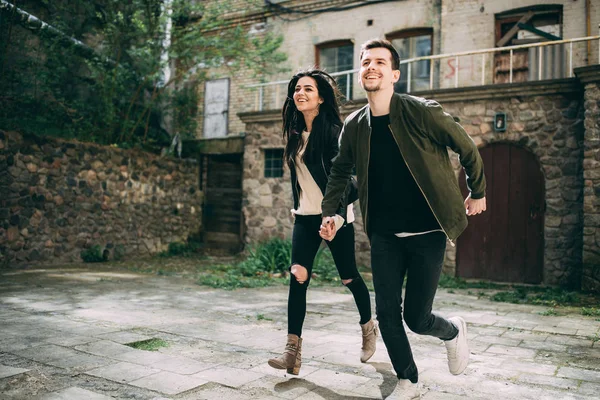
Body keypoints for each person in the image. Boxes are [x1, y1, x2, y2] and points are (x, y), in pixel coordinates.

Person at [319, 39, 486, 398]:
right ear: (360, 73)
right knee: (388, 315)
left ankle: (453, 331)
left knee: (417, 318)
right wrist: (332, 212)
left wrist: (479, 191)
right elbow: (339, 173)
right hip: (385, 235)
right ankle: (407, 378)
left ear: (394, 74)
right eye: (365, 62)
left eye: (379, 62)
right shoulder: (355, 125)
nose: (370, 67)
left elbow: (466, 146)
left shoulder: (420, 111)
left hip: (428, 231)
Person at [268, 69, 378, 376]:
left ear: (320, 97)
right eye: (297, 89)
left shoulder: (333, 132)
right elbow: (300, 176)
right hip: (306, 217)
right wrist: (298, 206)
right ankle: (292, 353)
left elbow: (349, 180)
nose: (300, 93)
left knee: (348, 277)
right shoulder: (293, 131)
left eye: (308, 89)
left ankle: (369, 327)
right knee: (298, 275)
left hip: (335, 214)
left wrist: (336, 215)